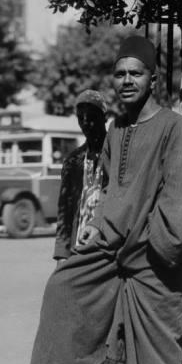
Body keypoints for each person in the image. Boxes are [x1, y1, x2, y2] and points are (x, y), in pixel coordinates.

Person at [19, 36, 182, 364]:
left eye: (135, 73)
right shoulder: (118, 129)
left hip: (155, 256)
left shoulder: (176, 128)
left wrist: (154, 245)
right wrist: (95, 230)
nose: (126, 81)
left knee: (156, 344)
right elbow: (110, 192)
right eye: (119, 74)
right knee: (64, 285)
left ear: (153, 78)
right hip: (112, 246)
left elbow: (180, 203)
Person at [54, 89, 108, 264]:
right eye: (81, 118)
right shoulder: (73, 160)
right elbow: (65, 209)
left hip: (108, 244)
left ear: (104, 118)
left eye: (91, 117)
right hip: (79, 245)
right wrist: (62, 254)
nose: (86, 123)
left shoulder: (117, 154)